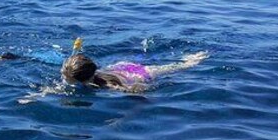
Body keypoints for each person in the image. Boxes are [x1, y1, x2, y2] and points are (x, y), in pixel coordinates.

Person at [60, 50, 208, 92]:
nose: (62, 77)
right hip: (120, 67)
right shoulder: (82, 78)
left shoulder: (108, 86)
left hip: (139, 73)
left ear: (84, 80)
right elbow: (55, 89)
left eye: (65, 76)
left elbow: (137, 91)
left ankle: (196, 58)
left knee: (178, 67)